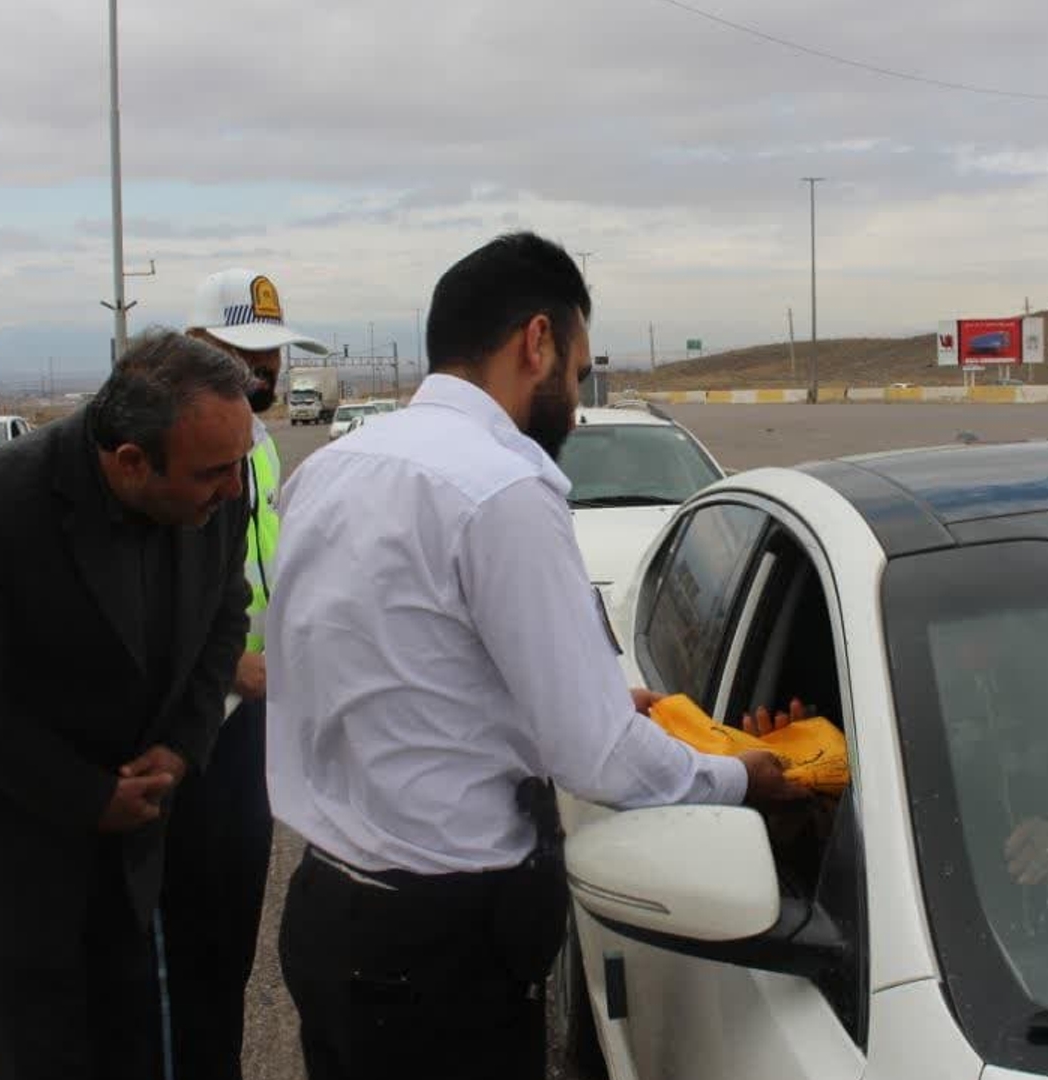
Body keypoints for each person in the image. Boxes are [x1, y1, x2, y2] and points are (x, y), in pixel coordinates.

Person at [264, 232, 807, 1080]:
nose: (578, 403)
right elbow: (592, 754)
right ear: (538, 341)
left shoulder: (332, 471)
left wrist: (546, 705)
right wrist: (747, 778)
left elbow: (398, 671)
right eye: (580, 371)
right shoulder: (504, 489)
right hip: (441, 948)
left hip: (330, 914)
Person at [0, 331, 255, 1080]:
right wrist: (90, 797)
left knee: (135, 1046)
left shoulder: (221, 484)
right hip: (18, 858)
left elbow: (225, 615)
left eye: (236, 468)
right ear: (131, 462)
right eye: (213, 474)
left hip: (138, 857)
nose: (233, 489)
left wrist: (184, 742)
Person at [162, 268, 328, 1080]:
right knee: (178, 952)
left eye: (270, 357)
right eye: (244, 356)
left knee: (227, 937)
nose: (264, 374)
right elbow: (140, 600)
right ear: (196, 348)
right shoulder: (163, 447)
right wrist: (232, 665)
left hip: (247, 729)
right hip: (184, 726)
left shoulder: (257, 445)